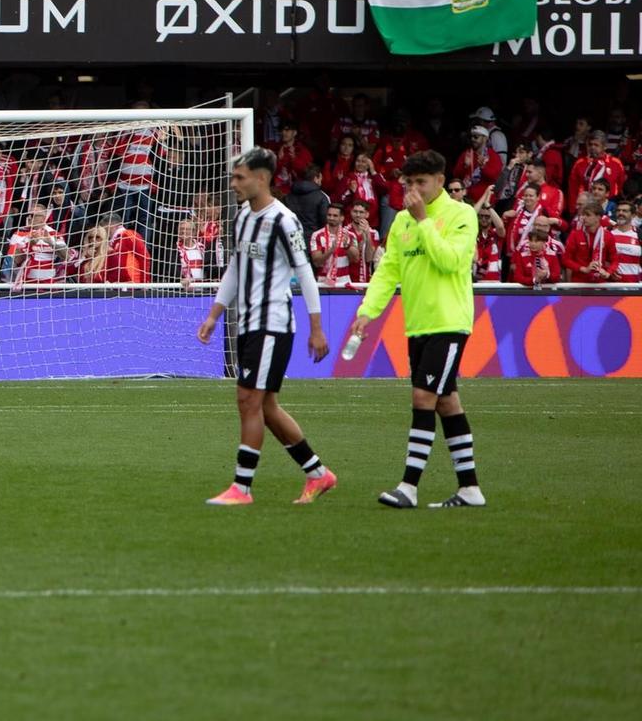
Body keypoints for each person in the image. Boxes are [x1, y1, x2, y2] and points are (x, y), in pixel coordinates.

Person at [194, 148, 336, 507]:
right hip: (248, 324)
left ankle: (242, 488)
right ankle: (319, 473)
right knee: (266, 406)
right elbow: (236, 268)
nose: (234, 184)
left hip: (273, 324)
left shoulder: (284, 221)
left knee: (248, 399)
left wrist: (316, 328)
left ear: (262, 178)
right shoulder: (243, 217)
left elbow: (304, 272)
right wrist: (215, 313)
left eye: (240, 177)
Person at [346, 151, 485, 509]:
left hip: (449, 322)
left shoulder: (461, 215)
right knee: (447, 402)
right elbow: (389, 270)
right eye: (409, 183)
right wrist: (367, 312)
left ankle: (408, 487)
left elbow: (452, 261)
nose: (414, 191)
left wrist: (424, 221)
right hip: (417, 326)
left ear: (441, 180)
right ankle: (470, 489)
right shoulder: (401, 223)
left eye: (421, 182)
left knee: (423, 397)